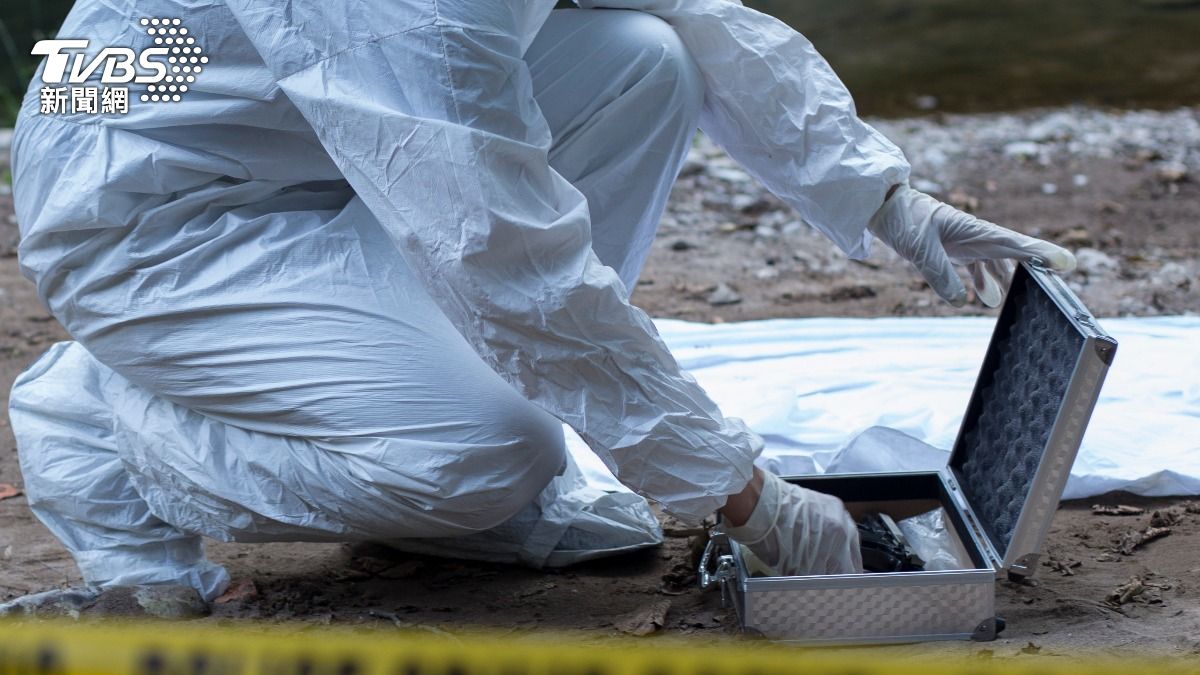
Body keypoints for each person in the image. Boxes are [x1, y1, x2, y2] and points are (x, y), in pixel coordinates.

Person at [5, 0, 1074, 609]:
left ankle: (424, 422)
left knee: (640, 62)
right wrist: (746, 499)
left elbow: (700, 16)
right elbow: (499, 250)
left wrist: (885, 200)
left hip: (285, 128)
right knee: (476, 458)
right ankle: (104, 413)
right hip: (150, 211)